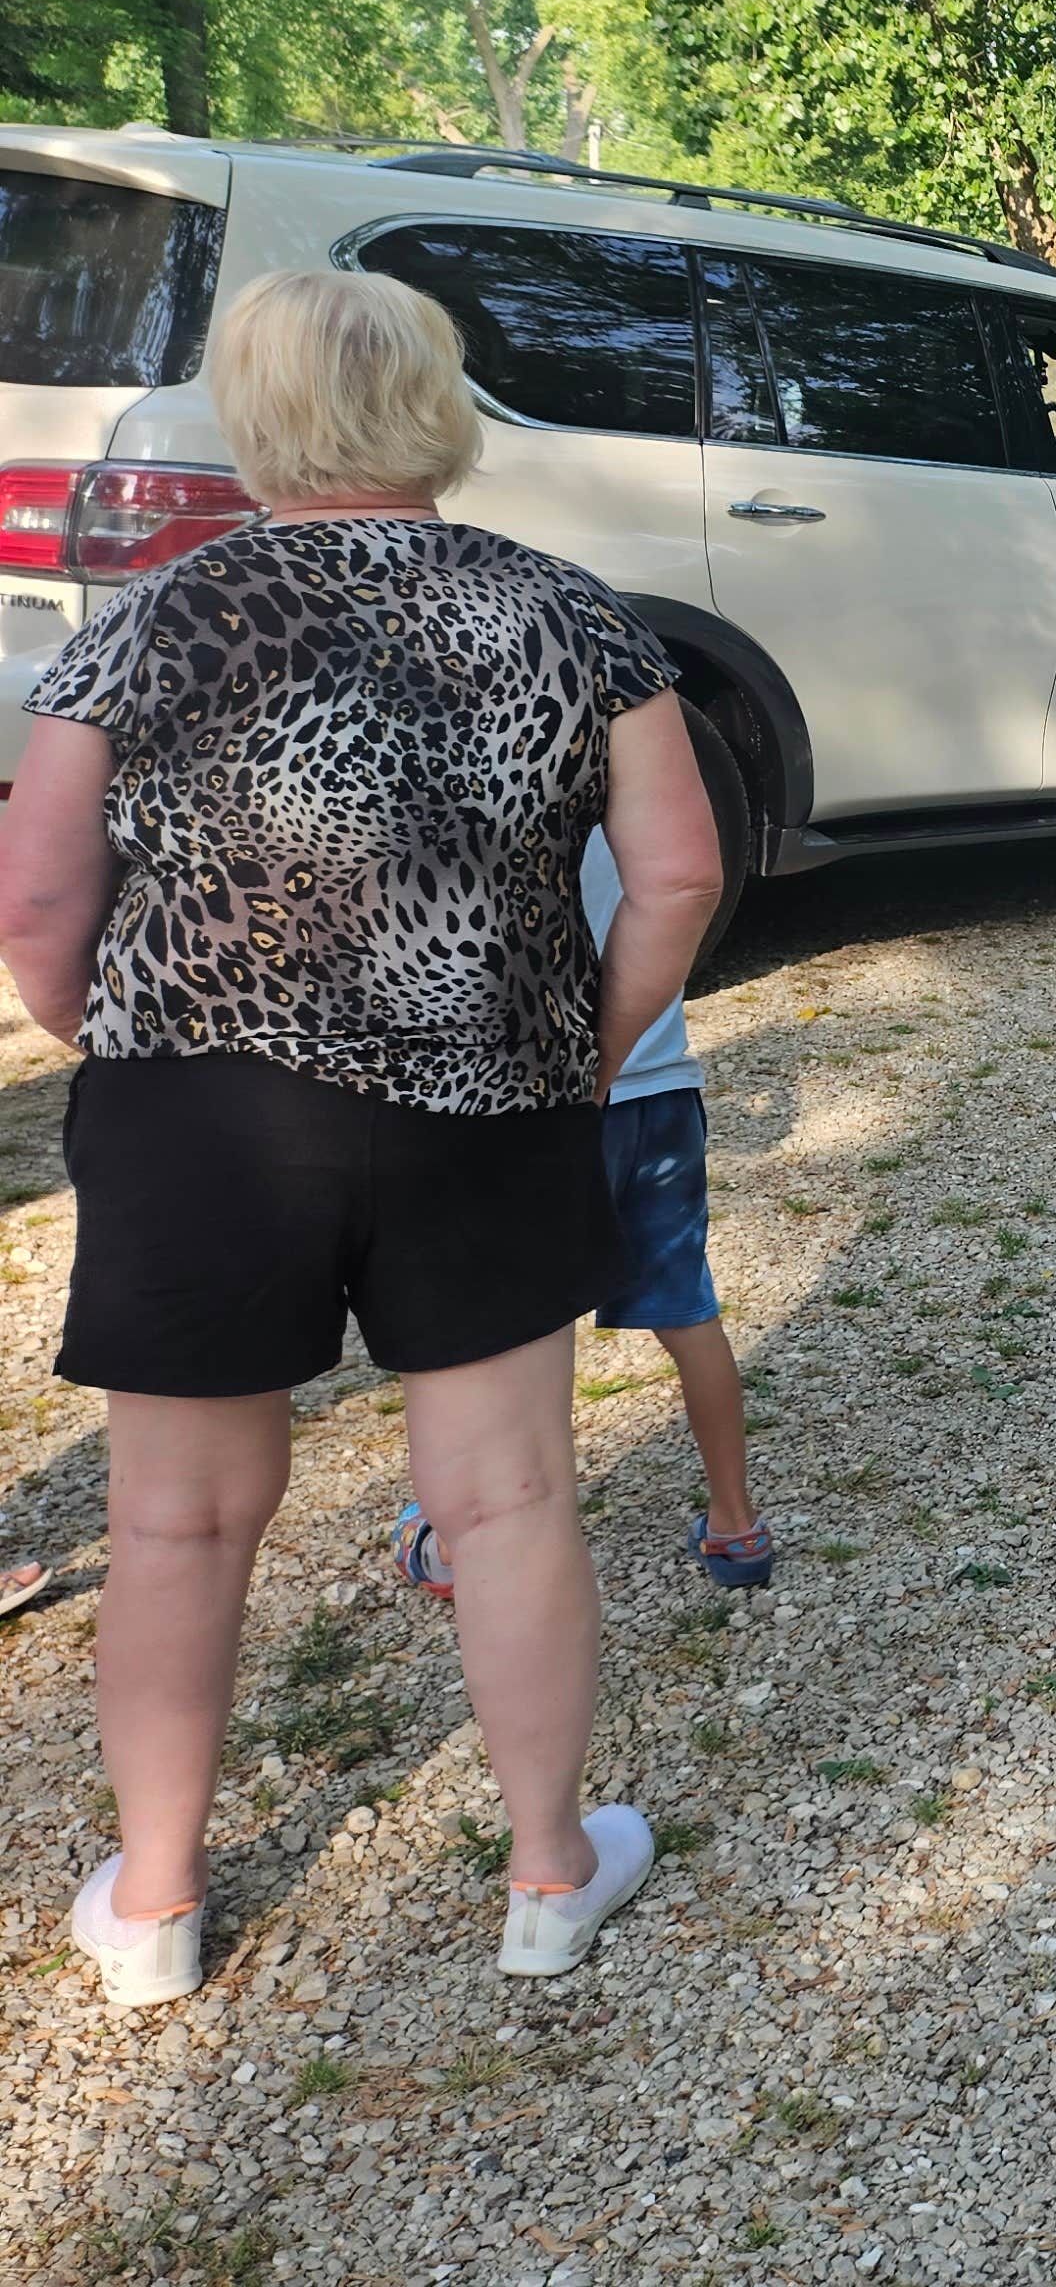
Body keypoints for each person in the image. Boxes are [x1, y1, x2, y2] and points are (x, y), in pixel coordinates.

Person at [0, 266, 724, 2010]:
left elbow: (37, 897)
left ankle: (157, 1906)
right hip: (488, 1101)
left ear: (258, 416)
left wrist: (105, 1039)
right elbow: (683, 877)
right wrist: (585, 1048)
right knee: (509, 1494)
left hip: (200, 1109)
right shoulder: (580, 621)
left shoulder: (147, 622)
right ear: (439, 406)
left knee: (179, 1522)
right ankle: (550, 1877)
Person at [390, 831, 768, 1600]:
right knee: (689, 1311)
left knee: (519, 1334)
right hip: (661, 1087)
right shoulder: (634, 787)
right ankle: (737, 1521)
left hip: (542, 1100)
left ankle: (469, 1537)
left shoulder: (490, 791)